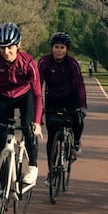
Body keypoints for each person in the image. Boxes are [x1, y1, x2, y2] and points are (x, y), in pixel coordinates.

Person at [0, 22, 43, 186]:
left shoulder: (29, 63)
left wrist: (37, 122)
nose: (6, 52)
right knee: (1, 145)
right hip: (4, 97)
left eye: (10, 47)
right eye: (1, 48)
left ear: (18, 45)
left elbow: (37, 94)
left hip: (25, 96)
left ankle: (33, 167)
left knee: (28, 129)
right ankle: (2, 191)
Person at [38, 32, 87, 184]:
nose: (59, 50)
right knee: (52, 137)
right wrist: (38, 109)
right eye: (56, 47)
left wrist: (82, 106)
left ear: (67, 49)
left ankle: (76, 142)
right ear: (52, 48)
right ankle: (52, 171)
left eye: (62, 47)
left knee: (78, 119)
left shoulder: (72, 63)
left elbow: (79, 85)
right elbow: (37, 85)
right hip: (52, 98)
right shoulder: (44, 62)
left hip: (70, 97)